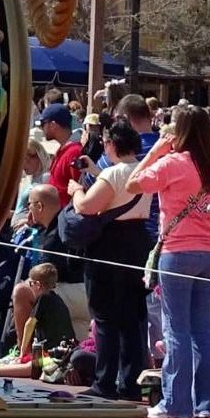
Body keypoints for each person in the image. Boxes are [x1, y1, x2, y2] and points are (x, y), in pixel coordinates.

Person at [129, 102, 210, 418]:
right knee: (202, 329)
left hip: (178, 251)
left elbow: (133, 184)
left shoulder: (171, 163)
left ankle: (175, 402)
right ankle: (205, 403)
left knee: (176, 329)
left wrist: (156, 150)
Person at [68, 118, 151, 400]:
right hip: (137, 240)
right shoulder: (143, 170)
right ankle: (130, 383)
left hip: (109, 245)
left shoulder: (113, 174)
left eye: (105, 142)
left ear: (113, 144)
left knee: (104, 317)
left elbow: (87, 207)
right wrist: (95, 172)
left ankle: (104, 382)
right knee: (131, 318)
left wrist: (75, 190)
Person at [15, 182, 91, 341]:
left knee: (21, 291)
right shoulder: (63, 221)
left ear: (40, 206)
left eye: (30, 205)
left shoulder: (53, 237)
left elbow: (43, 277)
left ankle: (25, 353)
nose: (28, 210)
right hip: (86, 290)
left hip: (73, 290)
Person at [0, 262, 75, 377]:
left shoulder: (42, 298)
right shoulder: (58, 300)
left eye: (30, 283)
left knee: (32, 366)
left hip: (51, 353)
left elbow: (29, 324)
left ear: (38, 285)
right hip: (65, 350)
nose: (29, 286)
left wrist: (22, 352)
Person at [39, 104, 84, 191]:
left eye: (43, 123)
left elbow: (80, 190)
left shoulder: (75, 152)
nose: (41, 128)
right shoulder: (63, 149)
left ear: (53, 125)